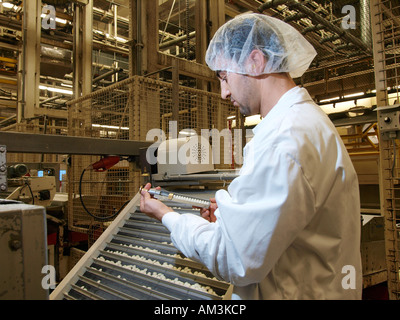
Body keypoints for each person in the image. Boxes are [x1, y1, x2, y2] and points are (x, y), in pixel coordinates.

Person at [140, 13, 362, 300]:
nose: (223, 92)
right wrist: (234, 221)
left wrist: (166, 215)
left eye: (224, 76)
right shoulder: (307, 122)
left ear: (254, 62)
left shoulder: (284, 140)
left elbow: (234, 259)